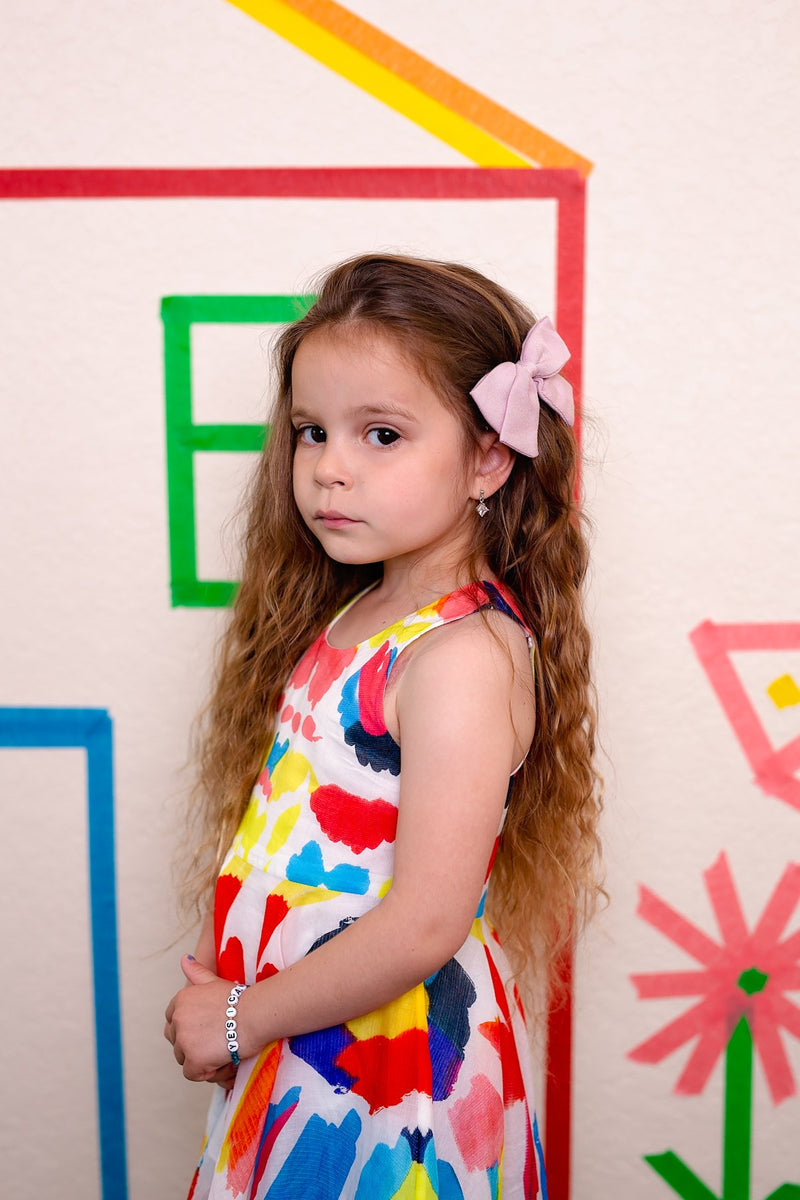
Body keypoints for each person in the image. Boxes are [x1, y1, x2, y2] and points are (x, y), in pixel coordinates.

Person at [165, 253, 602, 1200]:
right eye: (313, 432)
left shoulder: (460, 656)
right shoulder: (357, 617)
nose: (330, 468)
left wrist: (241, 1018)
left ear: (488, 458)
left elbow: (424, 924)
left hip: (392, 1073)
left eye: (382, 435)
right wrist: (237, 981)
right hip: (305, 1039)